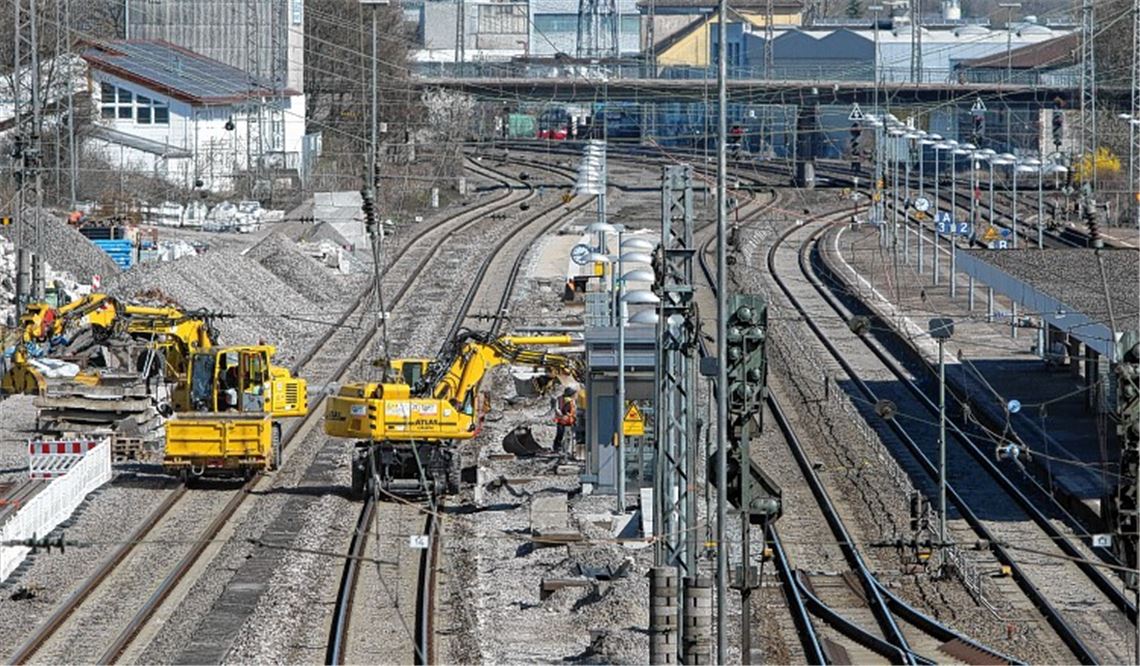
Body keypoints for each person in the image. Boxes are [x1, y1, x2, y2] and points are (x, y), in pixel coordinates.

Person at [552, 386, 577, 453]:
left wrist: (574, 418)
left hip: (569, 421)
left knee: (568, 436)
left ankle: (566, 449)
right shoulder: (559, 399)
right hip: (561, 420)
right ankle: (557, 448)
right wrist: (562, 415)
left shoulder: (572, 400)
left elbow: (574, 410)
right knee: (560, 434)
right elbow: (557, 409)